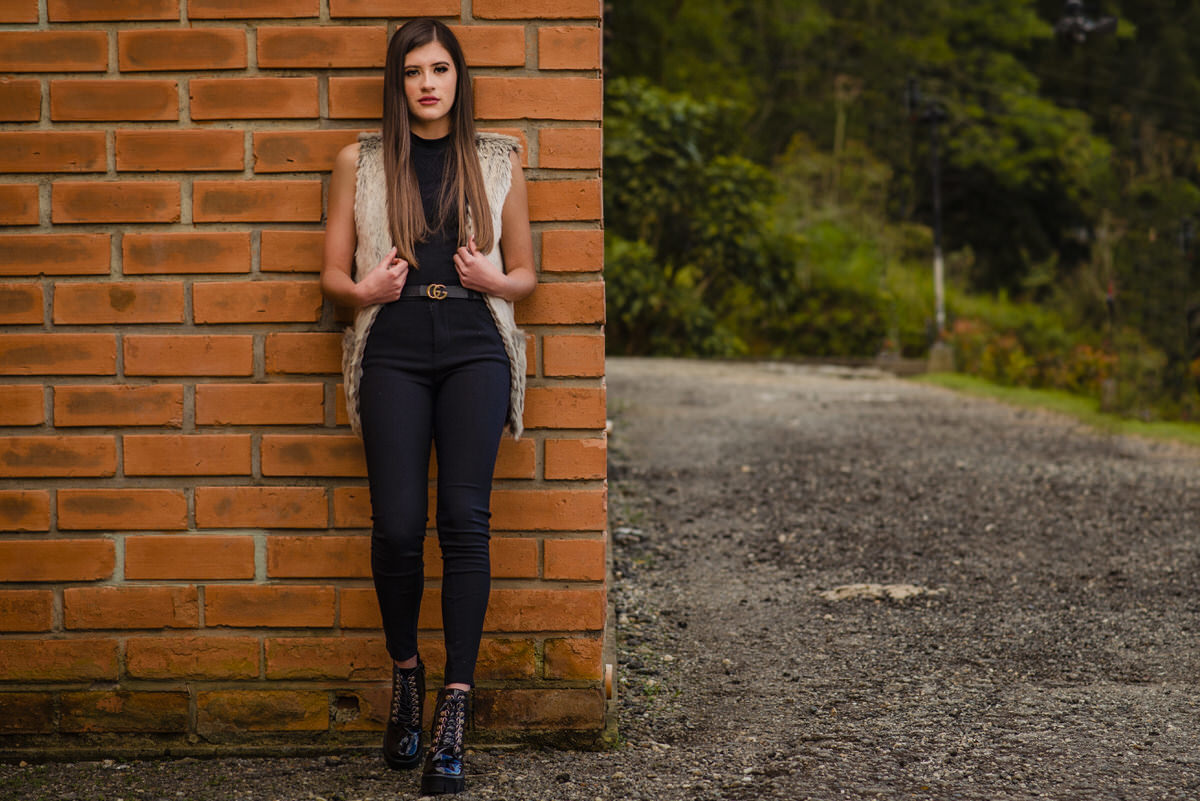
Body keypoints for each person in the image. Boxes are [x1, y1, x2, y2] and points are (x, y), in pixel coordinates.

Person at [319, 18, 535, 796]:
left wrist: (495, 282)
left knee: (464, 522)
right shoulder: (362, 160)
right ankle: (406, 672)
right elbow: (332, 276)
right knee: (400, 525)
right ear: (398, 81)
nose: (428, 83)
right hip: (395, 348)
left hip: (476, 344)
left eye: (440, 68)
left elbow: (526, 276)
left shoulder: (498, 159)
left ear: (458, 76)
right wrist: (364, 290)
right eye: (414, 71)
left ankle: (453, 710)